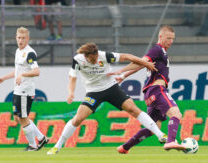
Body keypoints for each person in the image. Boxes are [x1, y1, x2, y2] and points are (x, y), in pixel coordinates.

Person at [46, 42, 171, 155]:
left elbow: (127, 56)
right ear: (86, 56)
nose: (95, 61)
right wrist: (71, 93)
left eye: (96, 58)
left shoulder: (104, 56)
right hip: (93, 92)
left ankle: (160, 135)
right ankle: (57, 146)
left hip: (111, 88)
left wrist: (145, 63)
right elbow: (72, 78)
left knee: (133, 109)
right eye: (92, 59)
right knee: (78, 119)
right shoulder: (78, 60)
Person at [109, 25, 185, 154]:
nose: (170, 41)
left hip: (150, 94)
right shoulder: (158, 50)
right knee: (176, 114)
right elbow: (140, 61)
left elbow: (141, 65)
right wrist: (122, 70)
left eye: (172, 39)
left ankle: (124, 147)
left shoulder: (161, 52)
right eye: (168, 38)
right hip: (157, 90)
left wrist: (124, 75)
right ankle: (170, 141)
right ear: (160, 36)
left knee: (152, 128)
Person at [0, 27, 49, 151]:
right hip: (17, 89)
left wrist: (22, 75)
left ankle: (33, 145)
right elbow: (18, 71)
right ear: (16, 38)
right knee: (17, 117)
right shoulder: (18, 51)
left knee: (23, 118)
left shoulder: (29, 53)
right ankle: (41, 138)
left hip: (25, 90)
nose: (21, 40)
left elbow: (36, 71)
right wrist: (4, 78)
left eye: (23, 38)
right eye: (19, 38)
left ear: (28, 39)